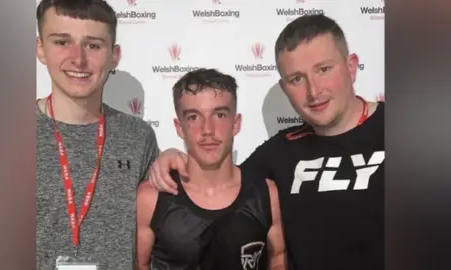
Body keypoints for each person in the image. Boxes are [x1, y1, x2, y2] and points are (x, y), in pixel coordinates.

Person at [147, 14, 385, 270]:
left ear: (351, 66)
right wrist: (170, 158)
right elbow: (218, 186)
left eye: (324, 69)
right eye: (297, 79)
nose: (314, 91)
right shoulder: (279, 151)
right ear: (284, 88)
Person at [36, 0, 159, 269]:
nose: (78, 58)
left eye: (93, 45)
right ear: (40, 49)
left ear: (114, 55)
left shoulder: (139, 137)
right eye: (61, 42)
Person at [135, 69, 287, 270]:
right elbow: (139, 265)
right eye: (193, 117)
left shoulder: (267, 194)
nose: (208, 130)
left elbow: (278, 260)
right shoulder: (151, 197)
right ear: (179, 127)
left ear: (236, 123)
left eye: (220, 114)